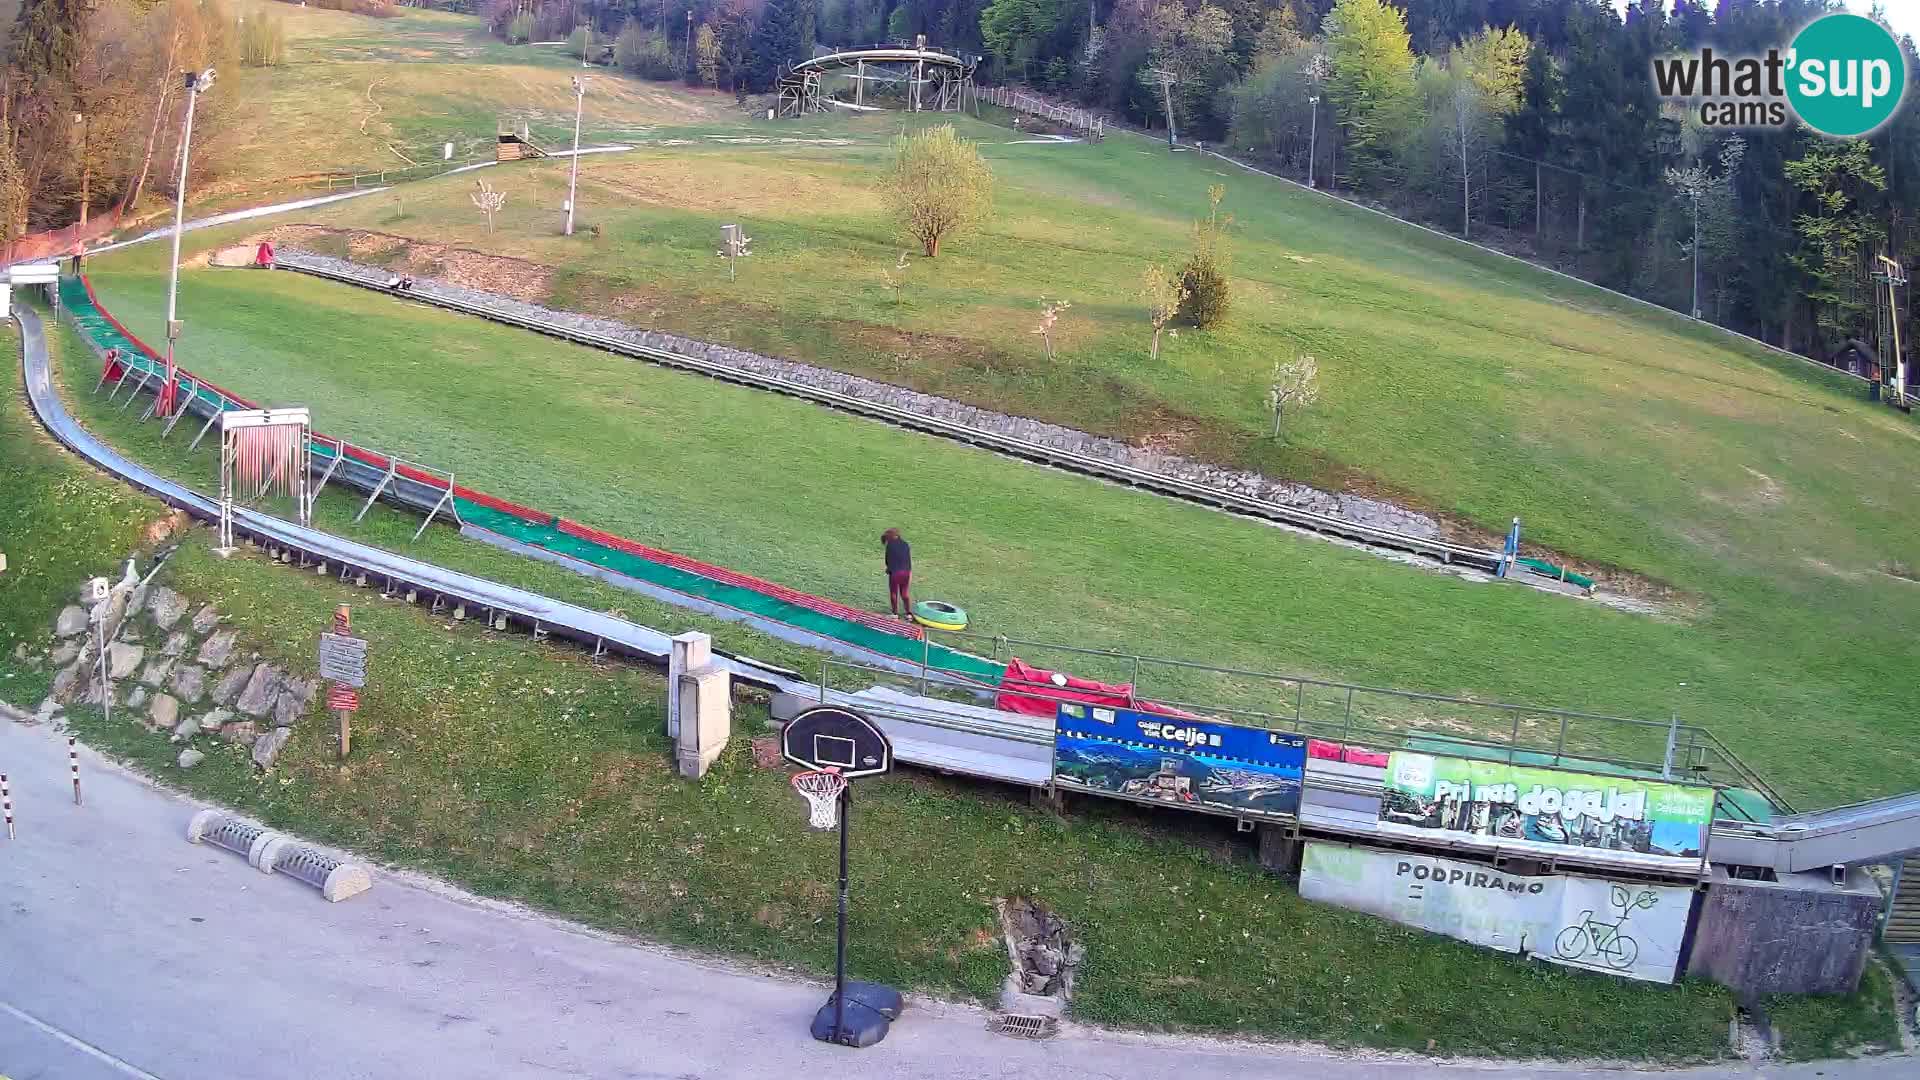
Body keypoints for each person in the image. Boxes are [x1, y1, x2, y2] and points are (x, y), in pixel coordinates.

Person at [881, 528, 912, 617]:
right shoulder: (905, 544)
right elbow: (908, 559)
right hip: (906, 572)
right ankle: (908, 613)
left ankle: (895, 613)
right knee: (905, 593)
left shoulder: (890, 545)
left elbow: (888, 560)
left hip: (895, 573)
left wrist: (888, 569)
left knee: (894, 593)